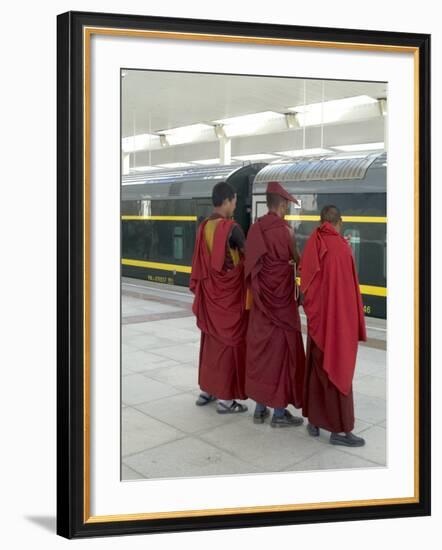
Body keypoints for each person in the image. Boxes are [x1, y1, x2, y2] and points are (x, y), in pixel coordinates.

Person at [300, 205, 367, 446]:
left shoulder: (312, 242)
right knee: (339, 371)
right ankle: (340, 431)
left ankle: (314, 423)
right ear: (338, 222)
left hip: (318, 325)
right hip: (336, 326)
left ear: (321, 222)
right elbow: (349, 293)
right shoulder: (343, 249)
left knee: (317, 373)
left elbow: (305, 286)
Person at [244, 181, 305, 427]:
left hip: (260, 307)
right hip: (282, 307)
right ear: (281, 205)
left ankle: (260, 410)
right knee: (280, 356)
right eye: (287, 206)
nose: (287, 211)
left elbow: (249, 269)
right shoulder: (287, 232)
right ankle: (279, 414)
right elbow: (298, 261)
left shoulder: (255, 230)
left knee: (261, 355)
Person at [190, 181, 248, 414]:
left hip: (210, 297)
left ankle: (208, 390)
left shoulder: (204, 227)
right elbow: (249, 257)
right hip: (229, 299)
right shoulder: (232, 228)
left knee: (211, 343)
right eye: (234, 201)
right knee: (229, 345)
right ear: (226, 200)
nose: (235, 205)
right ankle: (226, 399)